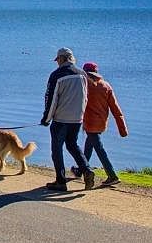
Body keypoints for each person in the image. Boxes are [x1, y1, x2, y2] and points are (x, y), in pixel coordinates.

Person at [41, 47, 93, 191]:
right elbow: (85, 96)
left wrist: (46, 119)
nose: (57, 62)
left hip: (61, 119)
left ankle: (61, 181)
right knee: (72, 145)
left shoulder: (57, 75)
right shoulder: (82, 74)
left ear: (62, 58)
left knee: (57, 149)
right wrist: (81, 114)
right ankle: (87, 170)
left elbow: (51, 99)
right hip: (77, 118)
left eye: (58, 59)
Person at [81, 61, 127, 186]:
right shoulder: (106, 85)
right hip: (101, 123)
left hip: (90, 122)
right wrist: (122, 129)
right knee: (89, 146)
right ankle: (81, 170)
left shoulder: (85, 85)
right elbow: (116, 109)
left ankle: (112, 176)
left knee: (99, 149)